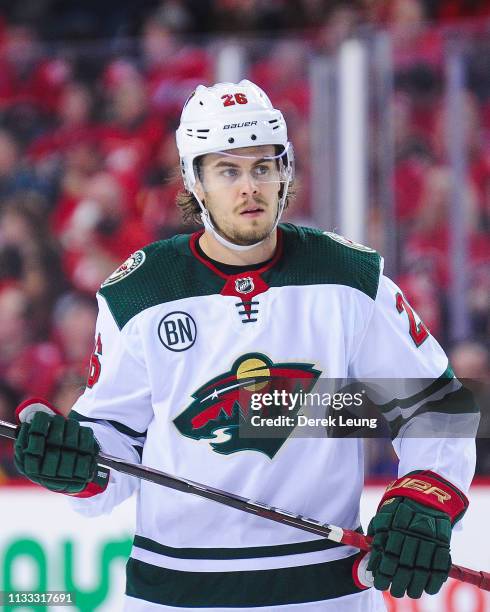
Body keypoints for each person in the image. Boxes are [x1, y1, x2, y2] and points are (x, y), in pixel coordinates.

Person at [13, 80, 478, 611]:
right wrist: (76, 464)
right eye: (228, 171)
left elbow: (436, 407)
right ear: (196, 182)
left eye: (263, 167)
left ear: (284, 173)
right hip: (175, 596)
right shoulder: (139, 292)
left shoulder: (349, 277)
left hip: (322, 595)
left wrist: (424, 499)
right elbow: (112, 444)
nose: (249, 188)